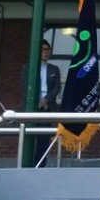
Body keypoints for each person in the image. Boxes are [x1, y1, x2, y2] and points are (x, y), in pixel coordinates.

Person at [21, 39, 62, 167]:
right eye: (43, 50)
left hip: (47, 108)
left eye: (47, 50)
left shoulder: (54, 69)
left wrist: (46, 100)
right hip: (32, 107)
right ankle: (25, 165)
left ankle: (39, 166)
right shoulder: (28, 67)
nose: (46, 52)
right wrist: (37, 100)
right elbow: (24, 85)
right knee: (29, 138)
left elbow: (57, 88)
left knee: (43, 139)